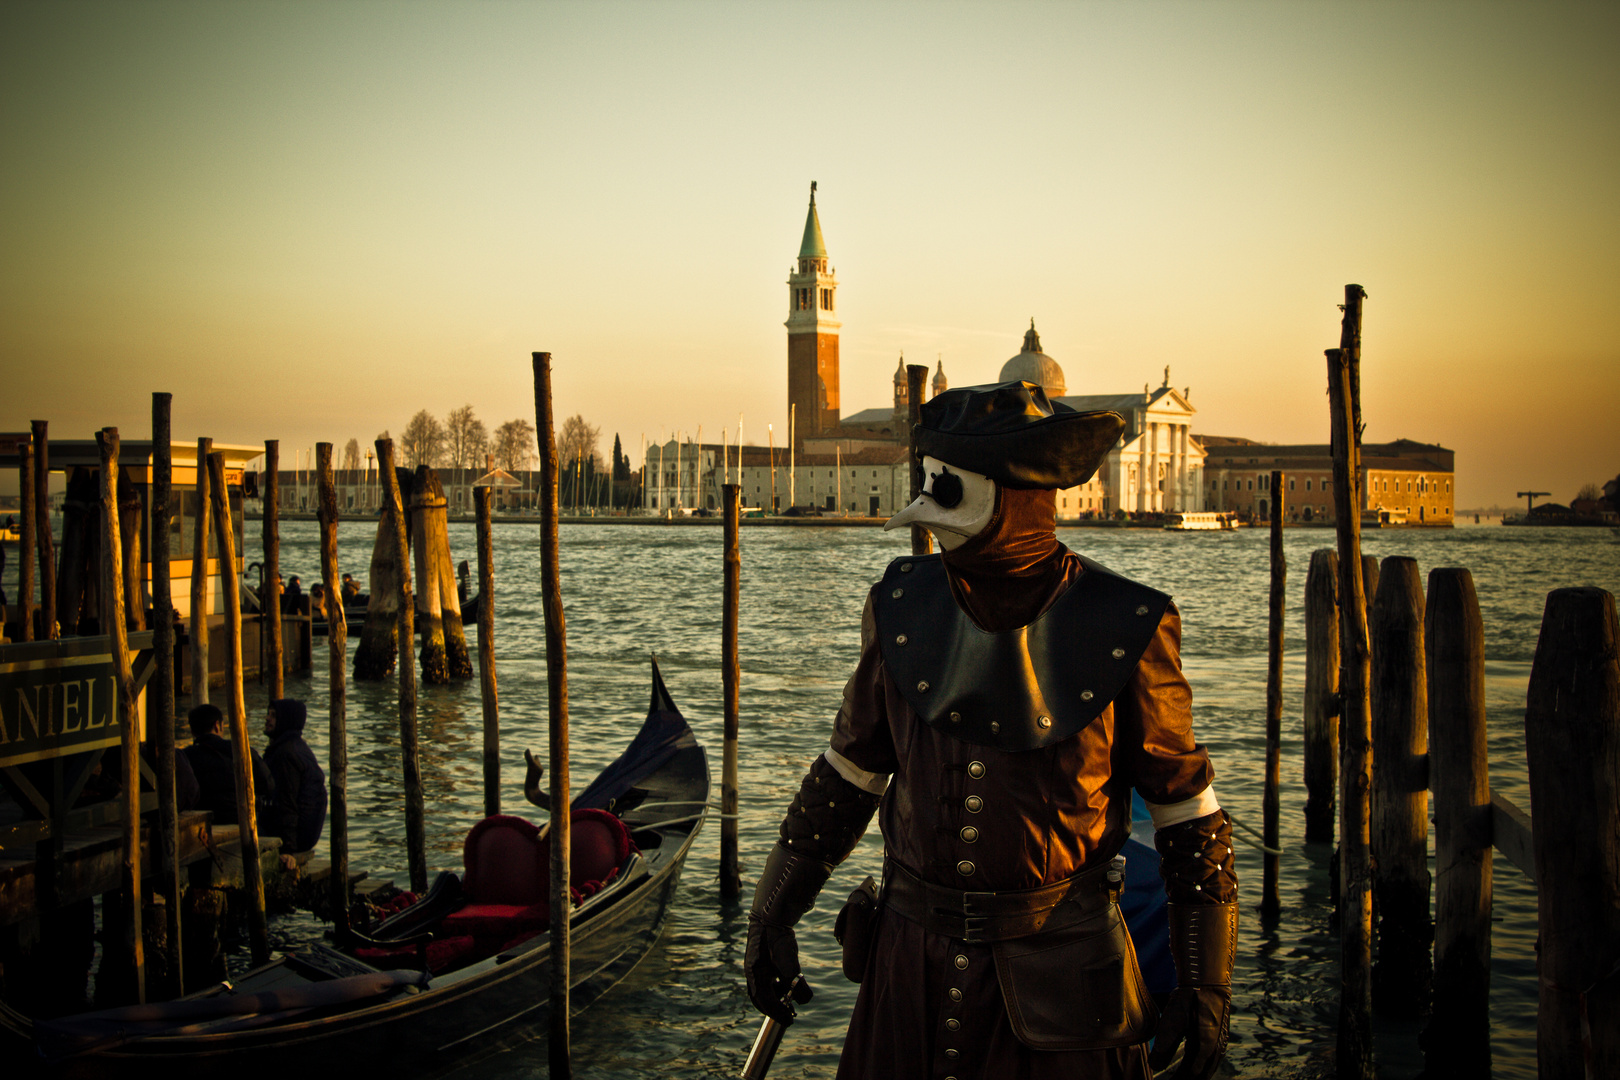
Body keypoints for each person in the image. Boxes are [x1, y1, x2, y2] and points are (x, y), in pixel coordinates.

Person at [745, 382, 1238, 1080]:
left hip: (1067, 989)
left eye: (944, 490)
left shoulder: (1131, 623)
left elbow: (1187, 816)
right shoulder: (899, 604)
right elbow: (846, 777)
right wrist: (773, 910)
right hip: (906, 975)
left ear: (1011, 494)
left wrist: (1205, 980)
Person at [262, 698, 327, 870]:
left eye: (274, 716)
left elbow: (286, 802)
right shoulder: (296, 747)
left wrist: (287, 849)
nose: (267, 719)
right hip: (305, 834)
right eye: (268, 714)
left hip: (297, 837)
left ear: (286, 721)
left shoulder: (285, 754)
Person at [183, 703, 273, 827]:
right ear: (217, 725)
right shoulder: (242, 750)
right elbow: (268, 785)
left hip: (201, 824)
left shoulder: (185, 757)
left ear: (192, 731)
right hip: (239, 821)